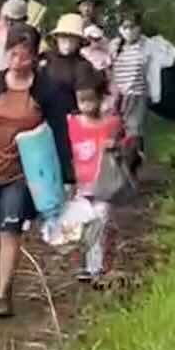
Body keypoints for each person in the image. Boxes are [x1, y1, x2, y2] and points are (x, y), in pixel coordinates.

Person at [0, 23, 73, 318]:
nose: (17, 61)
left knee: (10, 227)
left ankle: (3, 293)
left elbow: (60, 133)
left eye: (24, 55)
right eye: (13, 54)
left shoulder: (46, 90)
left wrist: (66, 176)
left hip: (23, 169)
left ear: (34, 57)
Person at [67, 63, 122, 281]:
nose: (86, 105)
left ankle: (96, 268)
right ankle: (85, 263)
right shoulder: (72, 123)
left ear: (100, 99)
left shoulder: (111, 124)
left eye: (90, 100)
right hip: (80, 185)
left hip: (103, 184)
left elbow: (125, 145)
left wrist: (116, 146)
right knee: (83, 225)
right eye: (81, 101)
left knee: (101, 221)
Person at [108, 0, 175, 166]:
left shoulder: (147, 45)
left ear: (139, 27)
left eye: (133, 27)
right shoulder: (115, 46)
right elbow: (106, 65)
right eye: (125, 27)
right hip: (117, 96)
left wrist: (158, 40)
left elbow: (171, 56)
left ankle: (134, 162)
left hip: (137, 95)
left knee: (134, 131)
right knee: (115, 130)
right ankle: (118, 163)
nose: (129, 31)